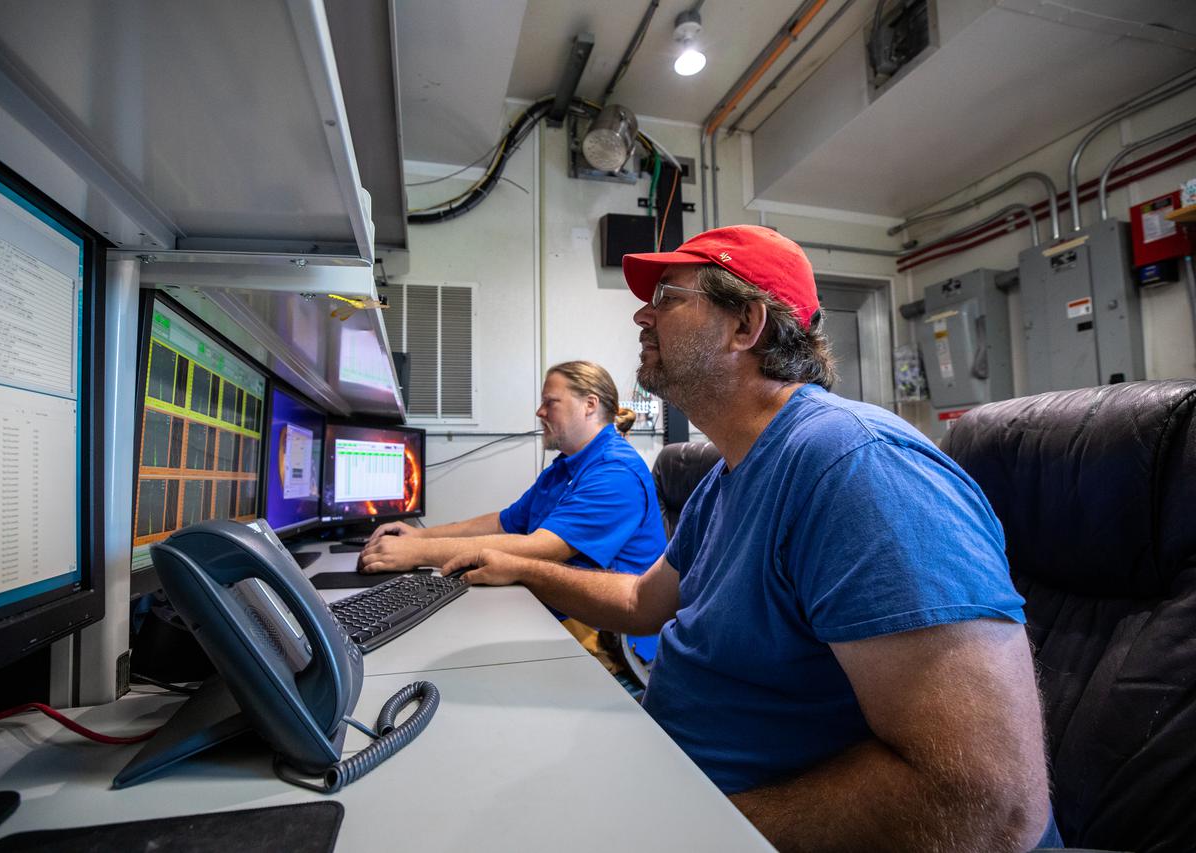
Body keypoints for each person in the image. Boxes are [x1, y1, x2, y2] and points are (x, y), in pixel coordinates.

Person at [442, 225, 1059, 852]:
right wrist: (520, 568)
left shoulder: (857, 466)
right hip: (676, 787)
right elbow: (642, 604)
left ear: (747, 326)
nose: (642, 314)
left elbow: (988, 804)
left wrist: (688, 830)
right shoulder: (728, 475)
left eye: (668, 298)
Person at [358, 360, 665, 580]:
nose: (539, 411)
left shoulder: (615, 473)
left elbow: (541, 548)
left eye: (550, 402)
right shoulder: (565, 466)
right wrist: (419, 536)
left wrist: (417, 553)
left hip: (603, 634)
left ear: (589, 404)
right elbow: (505, 522)